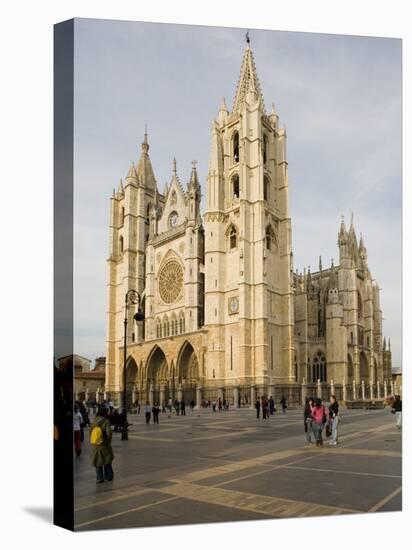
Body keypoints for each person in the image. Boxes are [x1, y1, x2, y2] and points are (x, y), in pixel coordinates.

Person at [90, 406, 114, 484]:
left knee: (98, 461)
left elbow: (91, 432)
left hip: (96, 444)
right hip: (104, 443)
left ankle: (99, 478)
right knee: (107, 460)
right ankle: (108, 476)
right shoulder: (106, 421)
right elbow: (109, 433)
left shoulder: (95, 420)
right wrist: (108, 440)